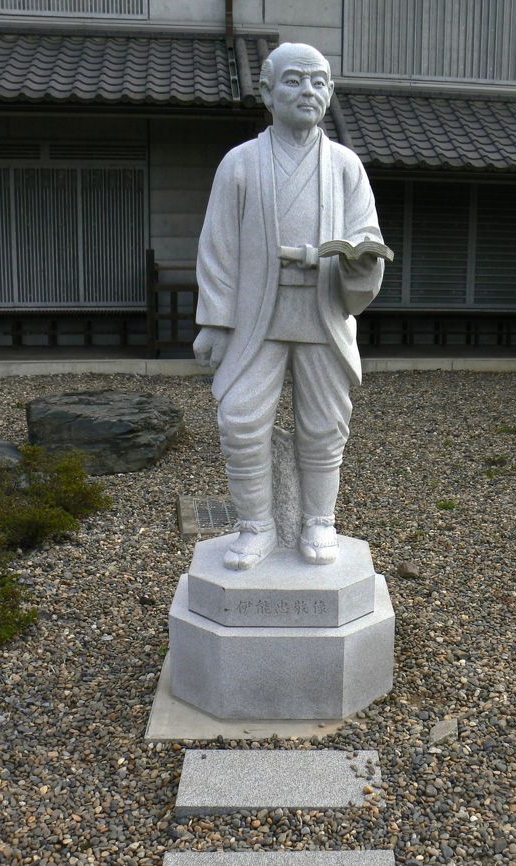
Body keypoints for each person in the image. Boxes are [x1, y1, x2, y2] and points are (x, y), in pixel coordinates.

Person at [193, 42, 385, 570]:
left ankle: (318, 520)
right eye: (295, 80)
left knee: (325, 425)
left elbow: (366, 235)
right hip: (260, 314)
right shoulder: (240, 163)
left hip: (322, 312)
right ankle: (256, 525)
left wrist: (361, 262)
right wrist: (215, 321)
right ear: (267, 92)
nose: (309, 91)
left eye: (320, 82)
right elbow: (218, 247)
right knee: (239, 420)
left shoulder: (344, 165)